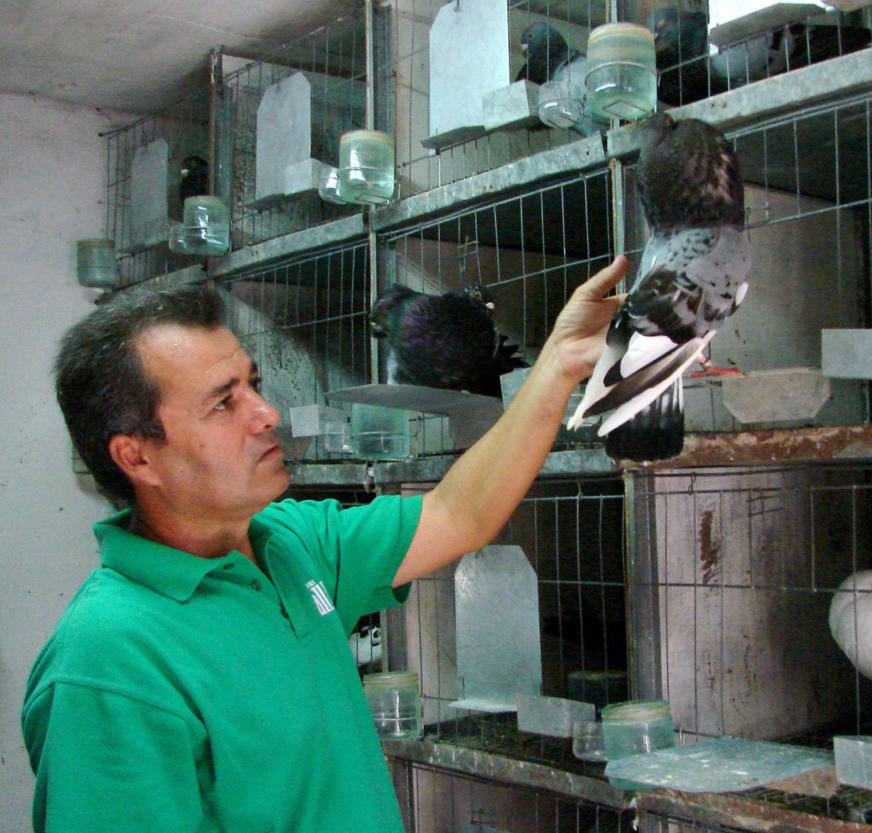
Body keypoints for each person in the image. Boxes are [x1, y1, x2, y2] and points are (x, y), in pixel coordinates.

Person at [21, 255, 629, 833]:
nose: (266, 413)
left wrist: (556, 365)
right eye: (224, 402)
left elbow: (457, 512)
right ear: (137, 455)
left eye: (253, 384)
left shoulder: (291, 544)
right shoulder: (106, 664)